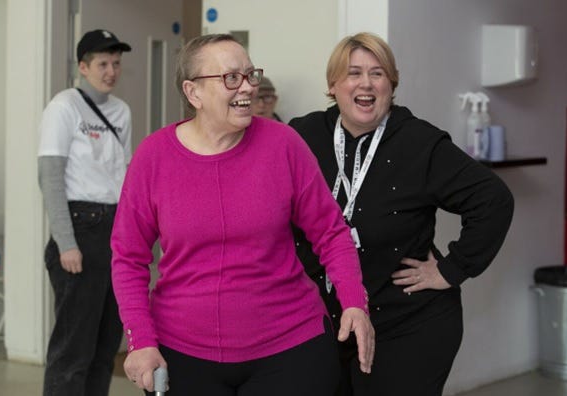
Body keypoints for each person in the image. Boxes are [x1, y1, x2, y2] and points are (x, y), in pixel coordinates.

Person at [110, 33, 374, 396]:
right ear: (193, 93)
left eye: (251, 75)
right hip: (183, 352)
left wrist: (354, 304)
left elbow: (331, 233)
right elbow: (128, 258)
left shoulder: (284, 145)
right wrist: (140, 339)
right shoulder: (153, 157)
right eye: (231, 78)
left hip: (290, 346)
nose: (248, 88)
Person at [289, 32, 514, 396]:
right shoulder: (302, 135)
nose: (366, 83)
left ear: (391, 85)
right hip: (321, 323)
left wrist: (450, 269)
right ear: (332, 85)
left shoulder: (419, 143)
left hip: (404, 324)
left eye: (377, 74)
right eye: (354, 73)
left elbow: (493, 200)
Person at [37, 29, 132, 396]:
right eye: (103, 64)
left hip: (114, 229)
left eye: (117, 64)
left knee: (105, 347)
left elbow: (123, 175)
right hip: (79, 229)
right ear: (83, 66)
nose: (111, 71)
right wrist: (65, 243)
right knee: (72, 349)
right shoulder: (64, 107)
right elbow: (50, 177)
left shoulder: (121, 110)